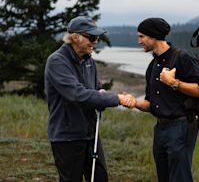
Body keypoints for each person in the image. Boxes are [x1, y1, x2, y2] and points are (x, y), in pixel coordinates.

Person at [44, 16, 135, 182]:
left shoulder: (88, 60)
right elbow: (77, 95)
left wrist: (101, 94)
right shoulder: (57, 61)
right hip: (67, 136)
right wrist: (117, 99)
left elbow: (94, 90)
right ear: (75, 37)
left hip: (90, 132)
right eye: (91, 38)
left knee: (100, 177)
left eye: (97, 38)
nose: (95, 42)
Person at [132, 18, 199, 182]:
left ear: (153, 36)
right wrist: (134, 102)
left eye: (141, 37)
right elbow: (151, 104)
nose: (139, 41)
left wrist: (173, 83)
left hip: (181, 127)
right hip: (160, 129)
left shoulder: (182, 57)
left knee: (180, 178)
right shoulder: (152, 66)